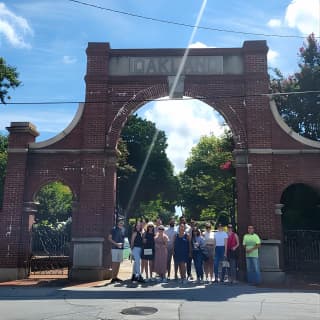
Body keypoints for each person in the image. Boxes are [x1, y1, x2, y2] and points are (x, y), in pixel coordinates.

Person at [108, 219, 125, 283]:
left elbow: (123, 238)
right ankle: (113, 278)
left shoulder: (123, 229)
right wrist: (116, 244)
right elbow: (109, 238)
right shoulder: (113, 229)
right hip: (114, 248)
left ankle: (116, 277)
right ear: (117, 223)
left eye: (122, 222)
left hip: (121, 248)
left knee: (118, 263)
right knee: (114, 263)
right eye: (120, 222)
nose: (121, 223)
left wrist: (123, 245)